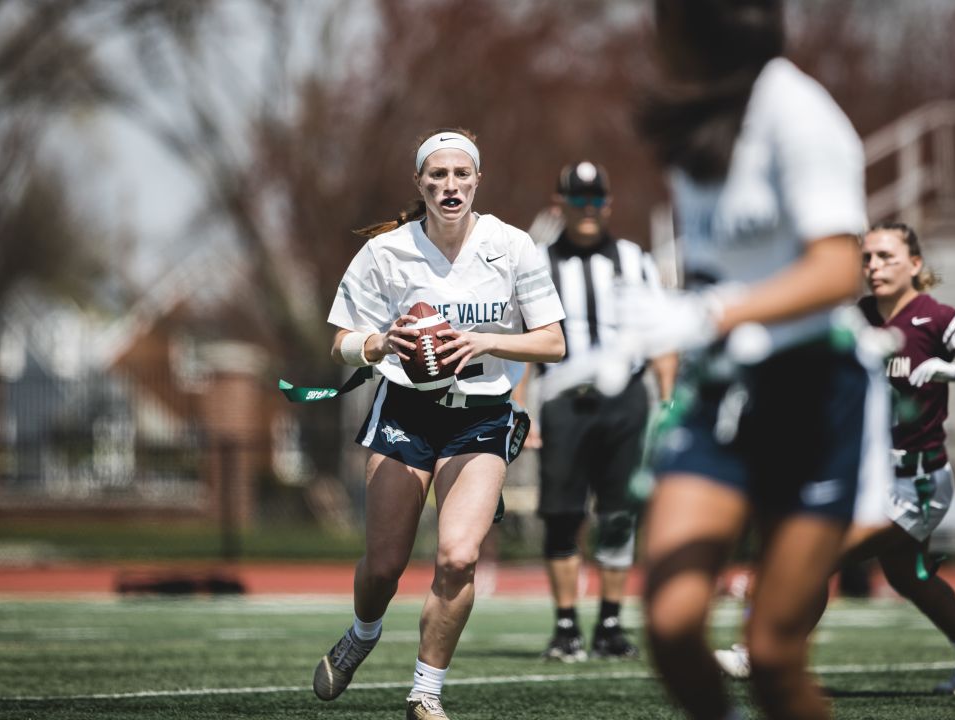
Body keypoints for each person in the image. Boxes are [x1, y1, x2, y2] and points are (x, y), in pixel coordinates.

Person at [621, 2, 893, 718]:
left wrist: (714, 312)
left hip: (814, 396)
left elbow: (839, 269)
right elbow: (717, 267)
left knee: (773, 654)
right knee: (673, 625)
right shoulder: (692, 128)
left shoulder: (799, 112)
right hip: (726, 393)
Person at [314, 127, 566, 720]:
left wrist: (481, 339)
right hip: (405, 412)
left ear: (477, 180)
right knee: (384, 566)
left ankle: (426, 691)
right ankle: (363, 632)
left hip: (480, 417)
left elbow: (553, 342)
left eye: (460, 175)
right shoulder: (387, 251)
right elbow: (341, 343)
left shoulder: (512, 245)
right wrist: (379, 344)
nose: (449, 186)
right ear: (420, 183)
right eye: (437, 175)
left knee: (457, 555)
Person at [717, 222, 955, 696]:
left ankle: (761, 651)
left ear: (915, 264)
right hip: (872, 477)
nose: (874, 267)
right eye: (868, 258)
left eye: (886, 257)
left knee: (815, 554)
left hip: (917, 484)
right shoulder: (856, 317)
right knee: (910, 576)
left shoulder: (935, 317)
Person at [511, 161, 677, 663]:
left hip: (625, 401)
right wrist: (521, 407)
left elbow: (659, 337)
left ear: (607, 204)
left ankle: (609, 623)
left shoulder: (635, 260)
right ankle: (566, 627)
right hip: (563, 400)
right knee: (561, 515)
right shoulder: (537, 260)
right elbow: (521, 338)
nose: (586, 208)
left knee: (618, 514)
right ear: (558, 203)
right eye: (575, 199)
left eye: (594, 199)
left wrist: (666, 402)